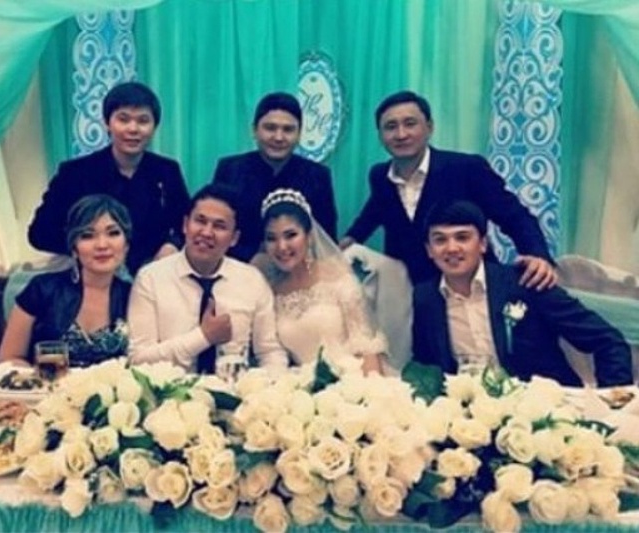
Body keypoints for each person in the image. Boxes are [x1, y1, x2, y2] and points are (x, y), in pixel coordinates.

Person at [340, 90, 556, 289]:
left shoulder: (466, 168)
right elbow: (375, 211)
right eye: (390, 127)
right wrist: (350, 240)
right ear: (380, 135)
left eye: (410, 123)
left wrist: (538, 256)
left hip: (472, 285)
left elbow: (513, 215)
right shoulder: (380, 175)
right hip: (411, 290)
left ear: (429, 127)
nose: (401, 134)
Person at [411, 200, 633, 387]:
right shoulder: (425, 297)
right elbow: (426, 367)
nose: (451, 248)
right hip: (471, 415)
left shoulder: (526, 282)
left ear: (483, 244)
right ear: (429, 250)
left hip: (545, 409)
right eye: (440, 239)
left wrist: (611, 404)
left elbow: (608, 341)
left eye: (462, 237)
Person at [28, 81, 190, 275]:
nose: (133, 129)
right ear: (107, 123)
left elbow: (186, 224)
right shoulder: (75, 173)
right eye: (123, 119)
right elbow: (39, 233)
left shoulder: (167, 171)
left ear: (154, 127)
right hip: (90, 276)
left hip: (150, 274)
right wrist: (89, 248)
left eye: (143, 121)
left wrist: (172, 244)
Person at [128, 183, 288, 374]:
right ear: (185, 225)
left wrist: (268, 385)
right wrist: (203, 337)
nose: (206, 232)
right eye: (200, 221)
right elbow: (139, 359)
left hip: (234, 389)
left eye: (219, 226)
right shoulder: (151, 279)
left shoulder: (251, 281)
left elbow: (270, 352)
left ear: (234, 238)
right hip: (169, 390)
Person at [259, 189, 388, 375]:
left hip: (354, 379)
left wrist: (369, 389)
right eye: (271, 238)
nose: (282, 246)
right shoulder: (271, 290)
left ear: (309, 236)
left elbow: (367, 348)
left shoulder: (336, 275)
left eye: (291, 235)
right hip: (301, 386)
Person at [0, 194, 132, 367]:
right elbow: (9, 358)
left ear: (126, 244)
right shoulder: (42, 289)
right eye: (87, 235)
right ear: (74, 247)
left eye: (113, 233)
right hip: (44, 383)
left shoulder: (135, 295)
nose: (102, 245)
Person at [212, 92, 338, 262]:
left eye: (288, 130)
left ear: (299, 134)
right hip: (237, 267)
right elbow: (217, 230)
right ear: (254, 130)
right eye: (270, 128)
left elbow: (326, 241)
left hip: (297, 270)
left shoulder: (317, 175)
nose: (279, 137)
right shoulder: (230, 169)